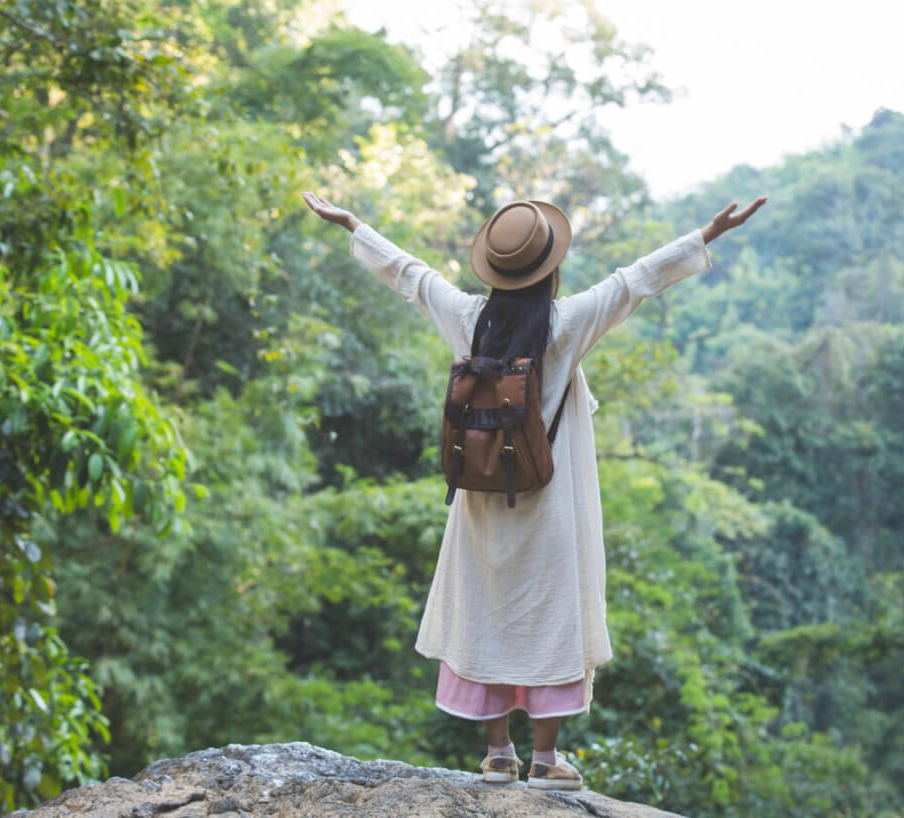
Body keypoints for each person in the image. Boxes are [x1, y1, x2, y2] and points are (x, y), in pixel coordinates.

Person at [302, 190, 766, 790]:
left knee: (488, 609)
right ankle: (546, 761)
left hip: (482, 501)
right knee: (550, 613)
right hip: (549, 505)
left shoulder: (468, 320)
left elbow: (412, 278)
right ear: (550, 270)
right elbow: (635, 282)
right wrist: (707, 233)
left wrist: (355, 226)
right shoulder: (566, 325)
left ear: (495, 272)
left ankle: (499, 755)